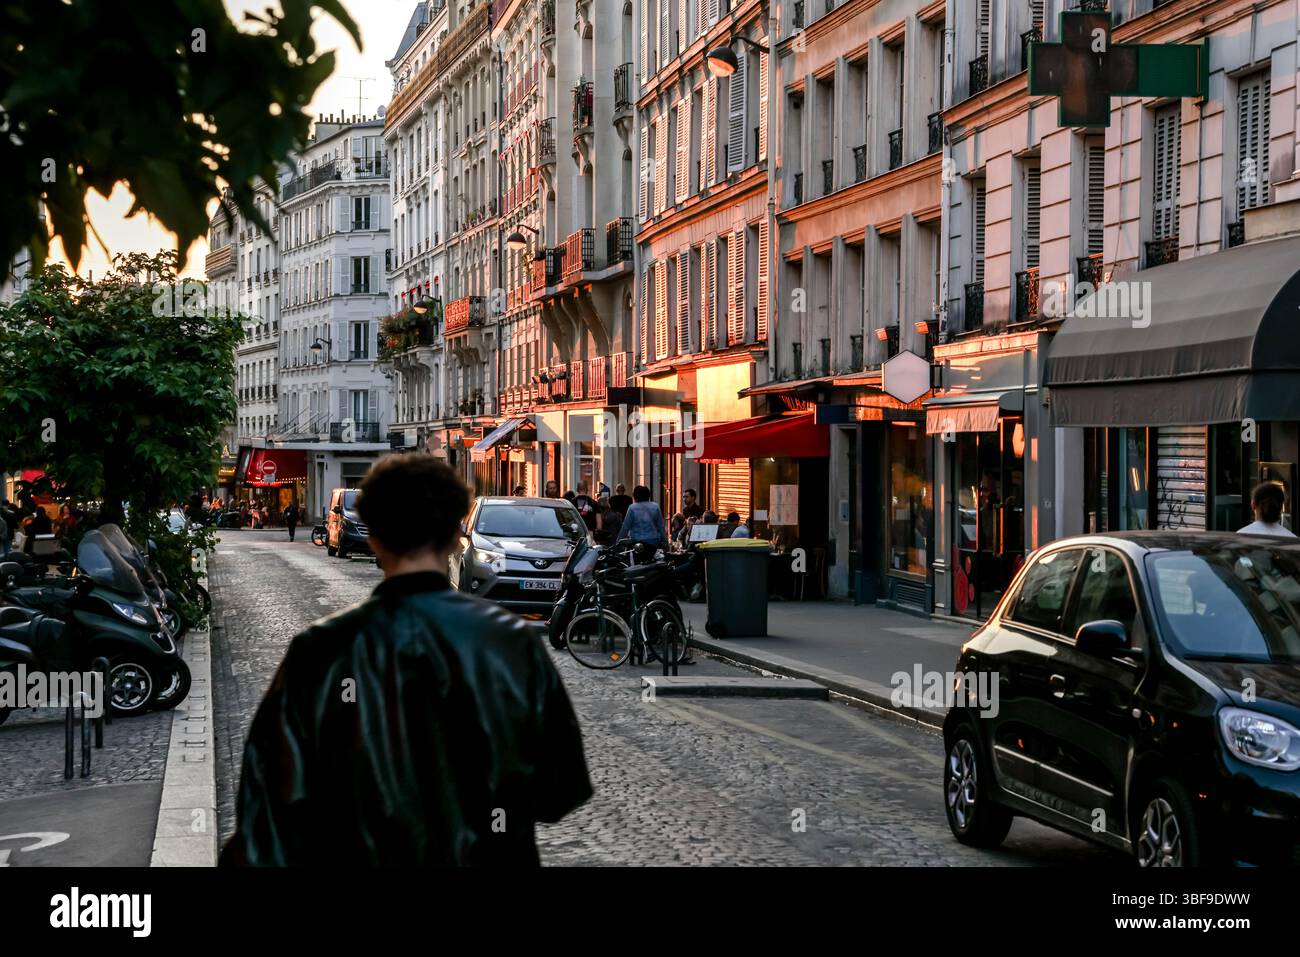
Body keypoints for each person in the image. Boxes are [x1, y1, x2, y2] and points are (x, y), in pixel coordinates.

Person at [221, 454, 592, 866]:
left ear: (374, 537)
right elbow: (560, 790)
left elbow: (271, 796)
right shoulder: (509, 643)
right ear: (457, 535)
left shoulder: (322, 649)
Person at [617, 485, 668, 550]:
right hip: (653, 540)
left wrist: (618, 541)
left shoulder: (632, 508)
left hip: (637, 541)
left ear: (635, 496)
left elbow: (625, 527)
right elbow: (661, 526)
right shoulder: (655, 506)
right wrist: (665, 541)